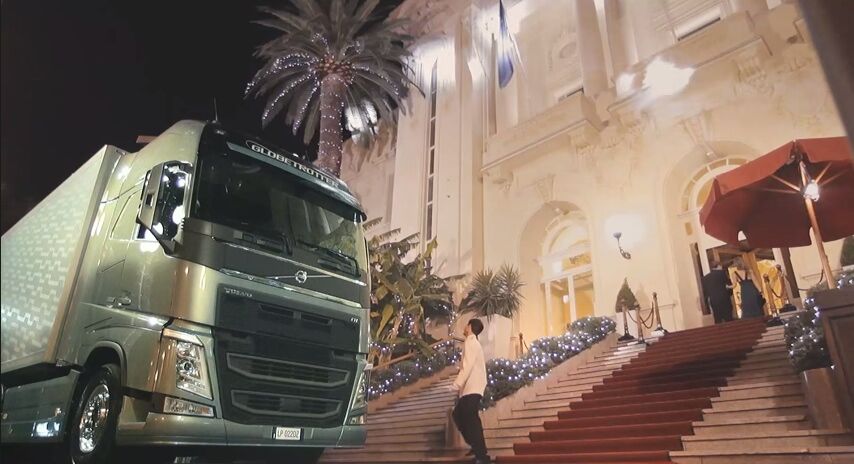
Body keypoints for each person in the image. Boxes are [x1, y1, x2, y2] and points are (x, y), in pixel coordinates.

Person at [450, 318, 490, 464]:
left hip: (473, 388)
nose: (465, 327)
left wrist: (456, 384)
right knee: (459, 415)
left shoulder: (471, 342)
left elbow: (467, 366)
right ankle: (475, 446)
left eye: (467, 325)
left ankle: (482, 456)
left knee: (471, 420)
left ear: (470, 327)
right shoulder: (472, 342)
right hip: (470, 389)